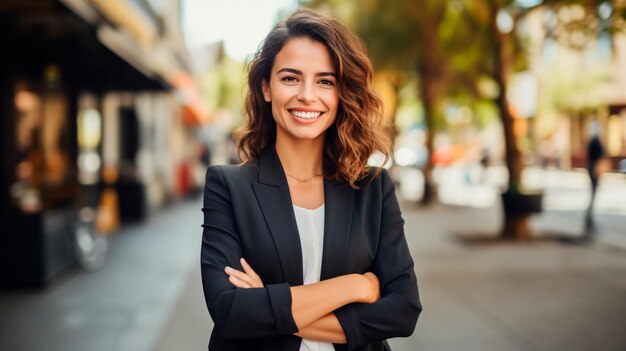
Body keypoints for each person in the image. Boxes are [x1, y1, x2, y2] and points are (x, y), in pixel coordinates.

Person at [201, 9, 421, 351]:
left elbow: (402, 311)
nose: (307, 95)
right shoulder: (228, 186)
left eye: (325, 81)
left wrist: (268, 307)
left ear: (340, 93)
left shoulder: (372, 187)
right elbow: (230, 312)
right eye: (290, 78)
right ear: (266, 87)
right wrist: (355, 287)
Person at [583, 121, 605, 238]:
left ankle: (589, 222)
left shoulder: (592, 141)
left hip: (591, 170)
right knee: (592, 198)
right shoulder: (595, 142)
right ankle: (589, 223)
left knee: (592, 198)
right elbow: (600, 158)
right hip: (594, 171)